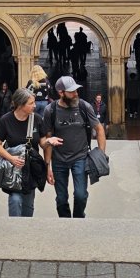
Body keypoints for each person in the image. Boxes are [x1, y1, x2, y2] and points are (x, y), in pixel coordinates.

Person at [41, 75, 106, 218]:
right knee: (61, 198)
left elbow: (99, 129)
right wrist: (47, 167)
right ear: (61, 93)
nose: (76, 93)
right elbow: (48, 139)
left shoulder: (84, 107)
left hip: (80, 158)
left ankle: (78, 219)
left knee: (81, 195)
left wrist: (101, 154)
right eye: (71, 91)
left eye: (76, 90)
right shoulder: (50, 110)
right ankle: (65, 222)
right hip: (59, 160)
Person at [0, 89, 43, 217]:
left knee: (28, 205)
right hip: (14, 169)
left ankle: (25, 227)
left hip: (31, 169)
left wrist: (49, 141)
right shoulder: (6, 120)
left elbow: (42, 142)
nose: (35, 105)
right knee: (15, 200)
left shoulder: (37, 119)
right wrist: (11, 158)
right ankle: (14, 227)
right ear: (20, 105)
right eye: (31, 103)